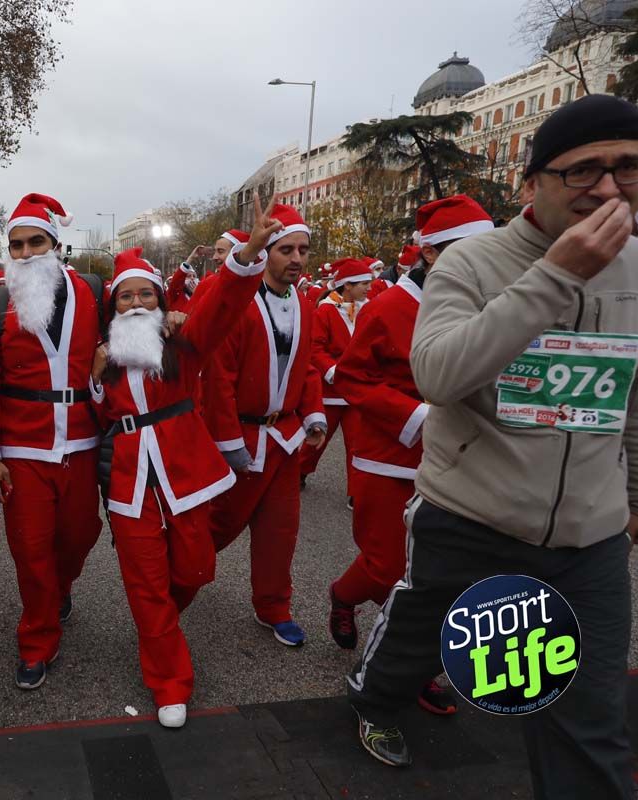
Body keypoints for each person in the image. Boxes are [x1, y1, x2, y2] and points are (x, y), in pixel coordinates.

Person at [346, 96, 638, 799]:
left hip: (590, 536)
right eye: (583, 172)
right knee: (424, 636)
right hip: (472, 517)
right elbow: (441, 374)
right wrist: (556, 276)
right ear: (531, 185)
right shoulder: (473, 264)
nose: (608, 189)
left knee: (587, 717)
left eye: (629, 167)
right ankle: (376, 699)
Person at [90, 232, 270, 727]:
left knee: (194, 568)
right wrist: (93, 375)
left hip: (185, 472)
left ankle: (158, 624)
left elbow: (221, 309)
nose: (135, 303)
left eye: (145, 294)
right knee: (145, 582)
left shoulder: (183, 347)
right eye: (125, 296)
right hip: (128, 481)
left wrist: (245, 258)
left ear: (160, 299)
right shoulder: (103, 358)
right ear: (113, 306)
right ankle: (169, 679)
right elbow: (96, 418)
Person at [331, 196, 493, 726]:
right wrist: (417, 416)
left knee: (436, 572)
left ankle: (418, 665)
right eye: (467, 250)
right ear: (431, 255)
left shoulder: (491, 301)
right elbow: (353, 380)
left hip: (460, 459)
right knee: (386, 565)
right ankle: (343, 595)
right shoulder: (387, 307)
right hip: (389, 457)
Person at [0, 192, 103, 690]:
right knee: (30, 550)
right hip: (21, 449)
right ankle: (37, 640)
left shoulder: (92, 291)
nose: (25, 253)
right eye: (17, 244)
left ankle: (62, 586)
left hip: (83, 441)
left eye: (35, 242)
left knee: (80, 534)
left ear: (55, 244)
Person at [202, 202, 326, 647]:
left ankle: (274, 606)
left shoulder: (306, 302)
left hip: (285, 438)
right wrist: (228, 440)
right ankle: (170, 582)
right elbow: (218, 376)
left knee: (280, 531)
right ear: (266, 252)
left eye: (303, 250)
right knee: (218, 526)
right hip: (243, 436)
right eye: (286, 249)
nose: (296, 259)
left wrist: (312, 413)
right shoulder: (240, 300)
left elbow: (306, 365)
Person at [299, 257, 373, 498]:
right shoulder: (326, 311)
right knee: (317, 442)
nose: (368, 288)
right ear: (347, 285)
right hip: (330, 391)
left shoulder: (367, 309)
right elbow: (316, 349)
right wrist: (333, 372)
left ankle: (356, 493)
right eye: (363, 283)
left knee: (357, 443)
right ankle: (298, 471)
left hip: (355, 390)